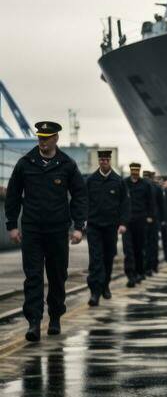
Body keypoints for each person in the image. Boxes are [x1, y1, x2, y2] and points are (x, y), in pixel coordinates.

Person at [4, 121, 87, 342]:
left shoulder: (66, 165)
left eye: (46, 137)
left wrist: (79, 227)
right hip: (32, 229)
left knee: (57, 275)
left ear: (56, 139)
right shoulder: (25, 164)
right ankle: (33, 322)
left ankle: (55, 317)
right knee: (33, 276)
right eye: (39, 137)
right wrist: (12, 225)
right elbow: (13, 195)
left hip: (58, 230)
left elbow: (79, 195)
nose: (42, 141)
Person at [85, 150, 131, 306]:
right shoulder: (91, 180)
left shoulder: (118, 181)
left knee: (108, 258)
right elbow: (83, 201)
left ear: (110, 161)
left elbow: (125, 204)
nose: (104, 162)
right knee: (95, 259)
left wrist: (123, 223)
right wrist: (82, 220)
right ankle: (95, 292)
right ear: (99, 161)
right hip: (94, 226)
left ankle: (105, 285)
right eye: (101, 160)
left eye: (106, 159)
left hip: (111, 227)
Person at [123, 163, 154, 287]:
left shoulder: (145, 185)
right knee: (128, 249)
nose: (135, 173)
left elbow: (150, 202)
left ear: (139, 171)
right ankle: (131, 274)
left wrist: (150, 216)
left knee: (139, 248)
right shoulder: (124, 183)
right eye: (133, 171)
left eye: (137, 171)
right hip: (127, 221)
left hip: (141, 220)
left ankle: (140, 271)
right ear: (130, 171)